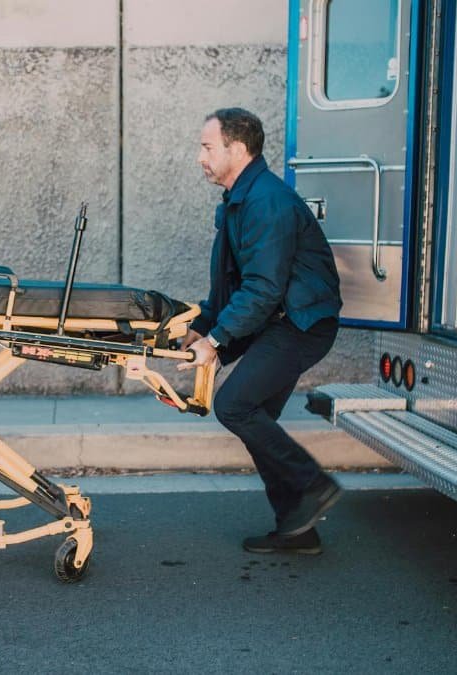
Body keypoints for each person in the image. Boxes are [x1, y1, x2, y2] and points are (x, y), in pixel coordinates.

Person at [179, 108, 344, 555]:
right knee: (255, 417)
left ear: (238, 149)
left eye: (207, 147)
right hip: (277, 320)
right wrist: (202, 330)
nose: (200, 157)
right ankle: (298, 528)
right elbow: (230, 284)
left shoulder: (267, 202)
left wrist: (217, 343)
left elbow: (265, 287)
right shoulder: (239, 201)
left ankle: (313, 485)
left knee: (233, 405)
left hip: (300, 324)